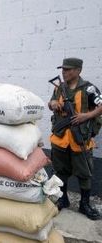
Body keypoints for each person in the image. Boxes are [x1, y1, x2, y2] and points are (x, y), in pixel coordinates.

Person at [48, 57, 102, 220]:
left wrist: (87, 115)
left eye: (68, 69)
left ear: (78, 71)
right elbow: (50, 102)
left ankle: (84, 204)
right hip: (60, 139)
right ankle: (63, 199)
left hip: (80, 140)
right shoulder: (59, 87)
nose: (64, 72)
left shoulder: (89, 89)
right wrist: (53, 104)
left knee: (84, 173)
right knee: (60, 171)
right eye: (63, 69)